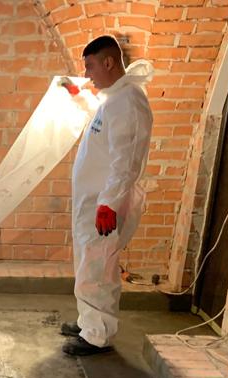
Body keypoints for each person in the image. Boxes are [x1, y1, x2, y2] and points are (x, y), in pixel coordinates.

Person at [60, 36, 153, 356]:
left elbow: (126, 160)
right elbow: (100, 122)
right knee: (89, 264)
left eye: (90, 66)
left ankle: (97, 335)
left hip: (104, 204)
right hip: (93, 201)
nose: (87, 74)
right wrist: (76, 96)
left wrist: (108, 204)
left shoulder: (129, 102)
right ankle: (89, 321)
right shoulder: (114, 98)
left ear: (109, 62)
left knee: (98, 268)